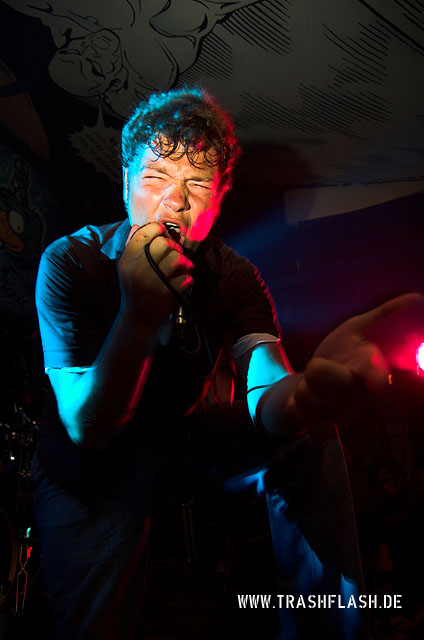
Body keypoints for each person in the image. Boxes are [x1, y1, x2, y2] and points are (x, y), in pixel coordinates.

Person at [33, 86, 423, 639]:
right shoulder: (71, 262)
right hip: (89, 465)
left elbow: (266, 388)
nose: (175, 201)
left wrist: (305, 395)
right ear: (125, 183)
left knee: (309, 436)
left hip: (180, 440)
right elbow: (87, 429)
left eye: (197, 184)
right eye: (155, 177)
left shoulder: (233, 275)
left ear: (218, 202)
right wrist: (137, 319)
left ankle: (330, 629)